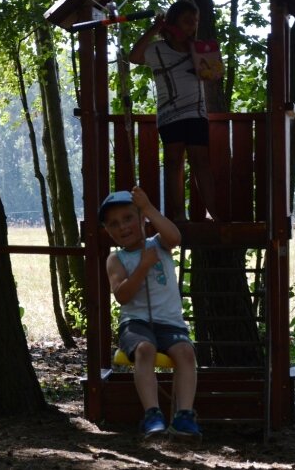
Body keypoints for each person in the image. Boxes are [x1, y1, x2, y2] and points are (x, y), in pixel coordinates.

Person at [98, 187, 201, 440]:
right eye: (114, 224)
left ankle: (184, 416)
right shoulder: (116, 259)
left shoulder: (158, 243)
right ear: (108, 232)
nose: (122, 227)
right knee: (144, 350)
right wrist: (143, 267)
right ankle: (152, 414)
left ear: (142, 218)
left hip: (170, 323)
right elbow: (122, 295)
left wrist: (148, 207)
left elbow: (175, 237)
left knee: (186, 354)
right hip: (136, 323)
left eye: (128, 218)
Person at [128, 0, 219, 222]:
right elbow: (133, 57)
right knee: (173, 162)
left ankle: (214, 214)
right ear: (172, 22)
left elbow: (214, 74)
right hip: (169, 116)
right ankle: (178, 216)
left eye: (195, 22)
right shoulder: (156, 49)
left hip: (196, 114)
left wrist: (207, 59)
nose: (192, 26)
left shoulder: (198, 50)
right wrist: (155, 29)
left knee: (201, 162)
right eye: (187, 21)